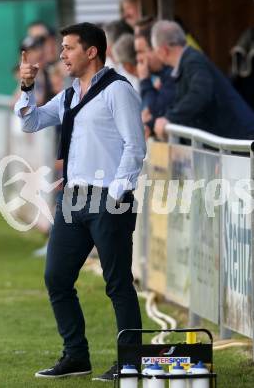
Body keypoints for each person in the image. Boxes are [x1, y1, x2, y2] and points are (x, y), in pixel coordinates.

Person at [15, 22, 145, 381]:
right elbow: (31, 122)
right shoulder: (71, 94)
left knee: (117, 283)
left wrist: (116, 192)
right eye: (62, 48)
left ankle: (131, 361)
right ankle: (76, 356)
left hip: (108, 200)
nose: (61, 55)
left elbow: (135, 146)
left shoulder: (118, 90)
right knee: (56, 277)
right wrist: (26, 88)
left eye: (69, 48)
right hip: (73, 199)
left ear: (91, 52)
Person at [151, 20, 254, 141]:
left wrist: (170, 118)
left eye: (155, 51)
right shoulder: (187, 63)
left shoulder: (193, 61)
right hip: (236, 139)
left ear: (163, 50)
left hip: (243, 139)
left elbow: (200, 93)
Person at [134, 25, 175, 138]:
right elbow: (147, 115)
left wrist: (144, 80)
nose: (138, 58)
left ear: (156, 50)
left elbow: (153, 111)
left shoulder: (173, 74)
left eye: (141, 52)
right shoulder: (163, 75)